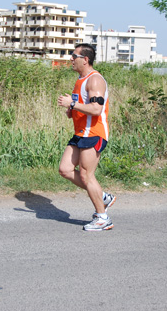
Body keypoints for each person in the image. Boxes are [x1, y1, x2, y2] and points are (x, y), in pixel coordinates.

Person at [57, 44, 115, 231]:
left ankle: (102, 217)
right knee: (65, 169)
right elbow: (82, 106)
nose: (71, 59)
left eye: (74, 56)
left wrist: (72, 104)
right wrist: (70, 110)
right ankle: (103, 196)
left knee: (86, 174)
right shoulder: (80, 80)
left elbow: (97, 109)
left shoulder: (95, 80)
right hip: (81, 133)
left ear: (85, 59)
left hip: (94, 133)